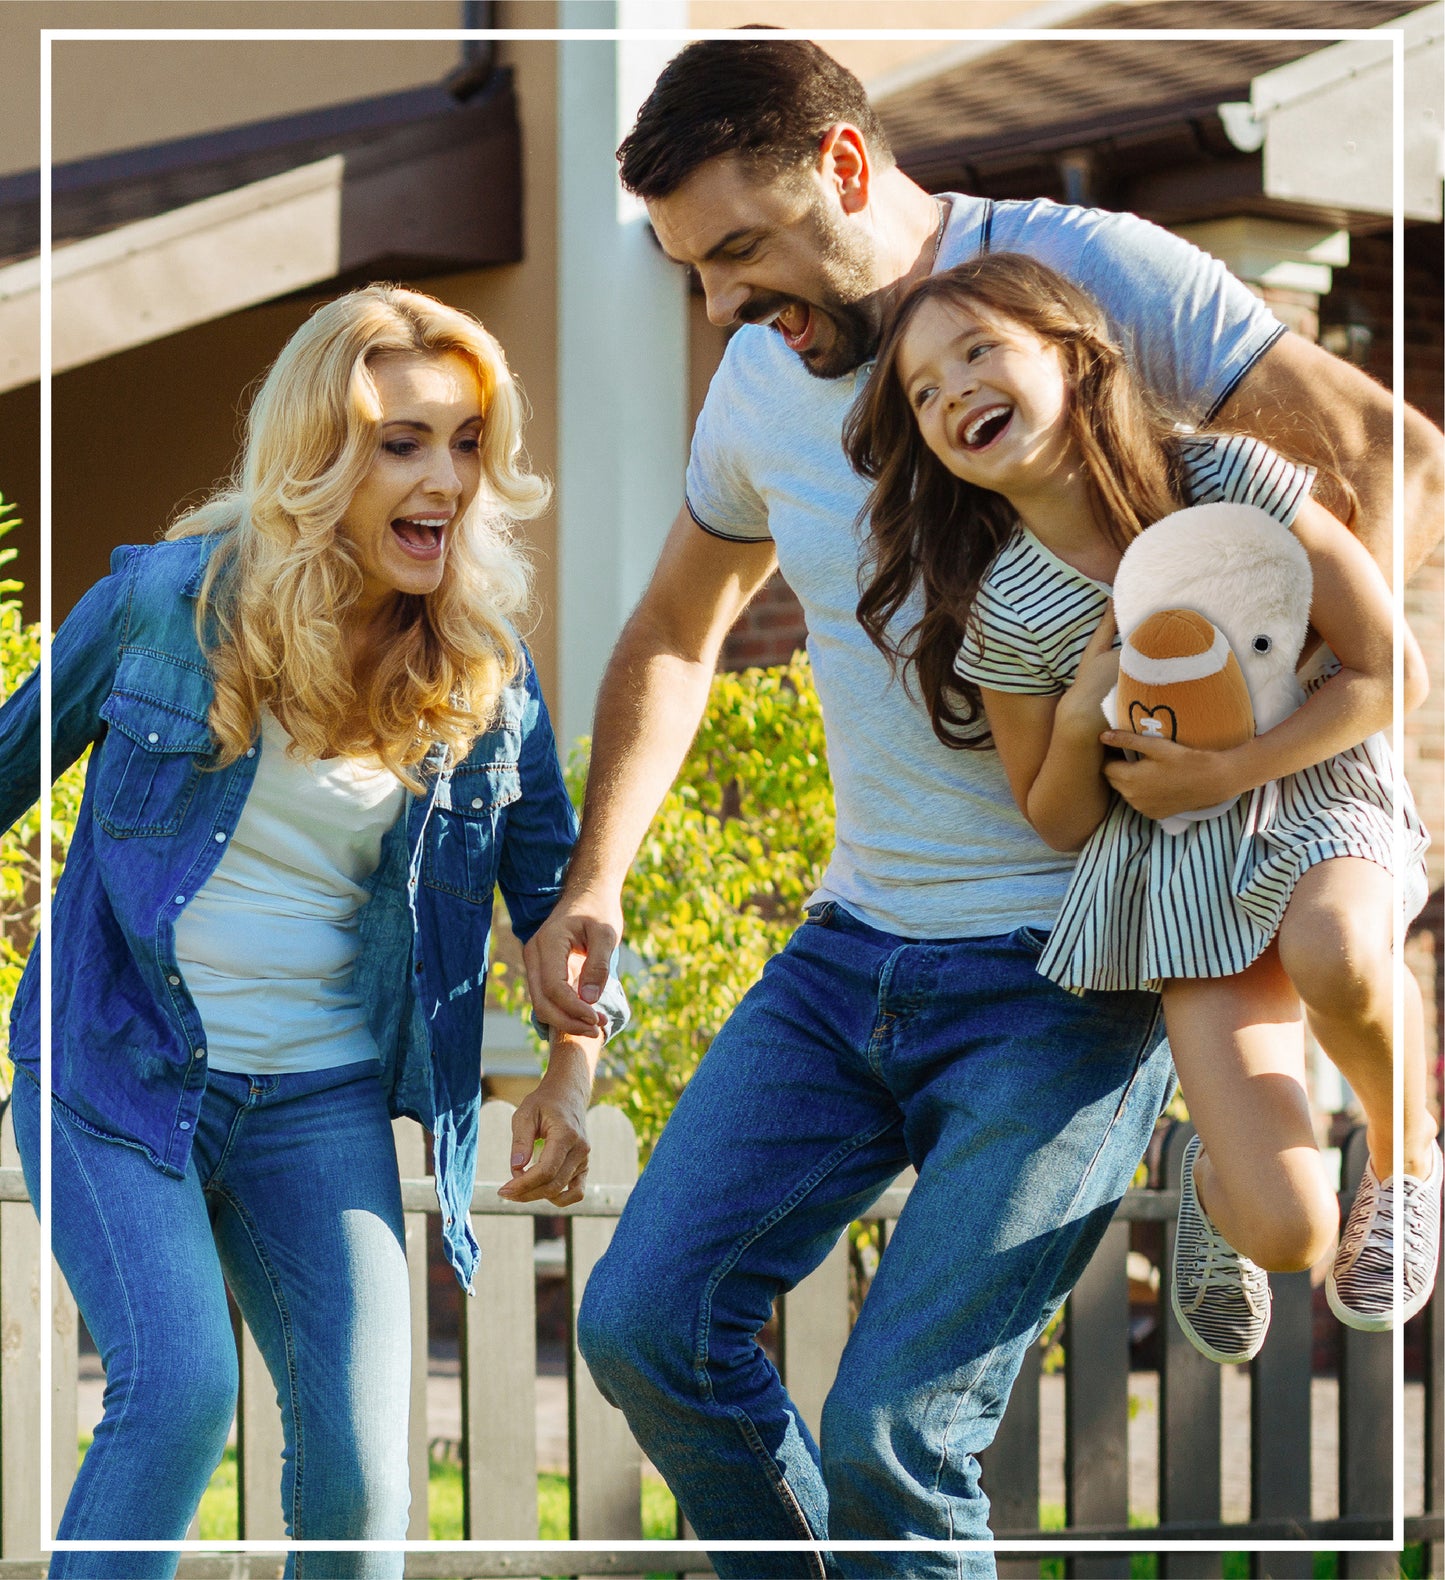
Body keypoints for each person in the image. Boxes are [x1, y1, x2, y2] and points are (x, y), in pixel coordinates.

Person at [520, 37, 1444, 1579]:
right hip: (851, 952)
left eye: (740, 249)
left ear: (845, 166)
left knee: (896, 1431)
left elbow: (1376, 453)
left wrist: (1264, 789)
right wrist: (594, 877)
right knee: (641, 1326)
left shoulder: (1089, 277)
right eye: (692, 270)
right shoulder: (761, 379)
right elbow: (679, 633)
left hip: (1068, 975)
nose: (725, 306)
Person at [0, 284, 626, 1580]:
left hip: (317, 1103)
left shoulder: (479, 671)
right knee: (176, 1398)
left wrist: (570, 1075)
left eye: (464, 442)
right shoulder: (162, 609)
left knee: (362, 1473)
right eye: (403, 442)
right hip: (115, 1067)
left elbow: (559, 902)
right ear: (320, 456)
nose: (444, 479)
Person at [845, 252, 1438, 1368]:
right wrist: (1075, 716)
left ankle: (1407, 1155)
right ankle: (1219, 1186)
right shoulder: (1011, 606)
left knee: (1335, 943)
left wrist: (1233, 765)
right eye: (921, 390)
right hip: (1176, 869)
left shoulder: (1222, 479)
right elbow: (1057, 820)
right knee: (1289, 1226)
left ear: (1071, 355)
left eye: (977, 350)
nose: (950, 390)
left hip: (1312, 794)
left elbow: (1386, 673)